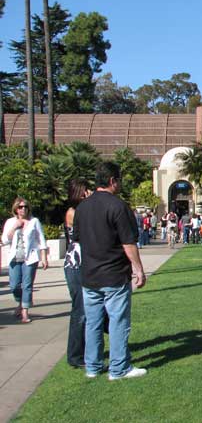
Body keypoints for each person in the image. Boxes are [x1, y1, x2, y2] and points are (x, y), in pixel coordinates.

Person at [73, 162, 147, 380]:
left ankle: (93, 367)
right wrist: (139, 269)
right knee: (118, 321)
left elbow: (77, 238)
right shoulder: (118, 206)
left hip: (89, 275)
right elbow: (128, 243)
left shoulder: (82, 208)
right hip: (114, 274)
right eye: (119, 180)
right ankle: (119, 368)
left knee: (93, 323)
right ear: (113, 181)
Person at [2, 197, 49, 323]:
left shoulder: (34, 221)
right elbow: (5, 240)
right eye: (20, 207)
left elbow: (41, 240)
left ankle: (25, 312)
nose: (23, 209)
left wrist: (44, 258)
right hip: (14, 258)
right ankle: (21, 302)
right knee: (14, 286)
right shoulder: (10, 222)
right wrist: (15, 227)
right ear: (16, 209)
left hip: (30, 258)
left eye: (25, 207)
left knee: (27, 285)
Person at [63, 179, 91, 368]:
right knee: (79, 311)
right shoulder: (73, 213)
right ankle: (75, 355)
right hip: (75, 265)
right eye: (85, 190)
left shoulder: (81, 210)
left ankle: (86, 349)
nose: (88, 193)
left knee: (88, 309)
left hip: (85, 264)